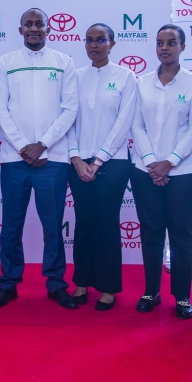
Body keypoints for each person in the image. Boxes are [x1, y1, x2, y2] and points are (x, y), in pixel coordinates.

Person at [0, 8, 79, 310]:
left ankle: (56, 284)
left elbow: (69, 109)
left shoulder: (63, 62)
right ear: (20, 29)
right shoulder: (6, 63)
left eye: (39, 24)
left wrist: (42, 144)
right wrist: (23, 146)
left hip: (53, 159)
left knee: (53, 227)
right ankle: (9, 284)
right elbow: (0, 109)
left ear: (48, 28)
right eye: (28, 24)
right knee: (11, 226)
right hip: (14, 159)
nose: (34, 29)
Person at [129, 24, 192, 319]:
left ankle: (182, 296)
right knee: (151, 231)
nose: (164, 48)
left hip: (184, 172)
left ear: (182, 47)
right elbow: (136, 125)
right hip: (144, 170)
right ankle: (151, 291)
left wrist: (169, 161)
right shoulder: (142, 82)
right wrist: (151, 161)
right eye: (160, 43)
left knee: (182, 234)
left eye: (171, 43)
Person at [65, 23, 138, 311]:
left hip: (114, 163)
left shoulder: (125, 77)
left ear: (112, 43)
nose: (94, 45)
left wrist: (99, 159)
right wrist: (75, 157)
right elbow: (68, 119)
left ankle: (108, 287)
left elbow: (124, 122)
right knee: (83, 224)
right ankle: (81, 282)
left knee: (108, 224)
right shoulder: (75, 77)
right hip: (79, 163)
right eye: (89, 40)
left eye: (100, 40)